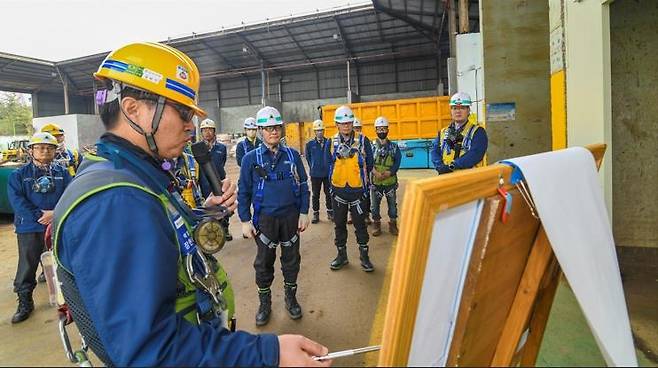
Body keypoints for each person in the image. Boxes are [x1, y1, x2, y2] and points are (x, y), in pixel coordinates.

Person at [52, 42, 329, 367]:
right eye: (182, 112)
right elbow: (152, 351)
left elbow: (156, 236)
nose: (191, 125)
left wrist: (198, 214)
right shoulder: (114, 201)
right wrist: (267, 354)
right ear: (133, 108)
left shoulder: (130, 174)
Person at [238, 106, 310, 327]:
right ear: (260, 131)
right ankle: (265, 303)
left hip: (290, 217)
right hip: (265, 220)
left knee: (291, 261)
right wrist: (244, 220)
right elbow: (244, 191)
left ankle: (291, 298)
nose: (273, 132)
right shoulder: (251, 159)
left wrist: (304, 212)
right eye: (268, 128)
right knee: (263, 263)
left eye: (277, 127)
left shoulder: (292, 155)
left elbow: (304, 184)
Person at [8, 132, 71, 323]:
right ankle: (25, 301)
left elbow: (70, 194)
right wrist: (39, 216)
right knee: (27, 265)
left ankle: (67, 301)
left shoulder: (62, 173)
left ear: (55, 151)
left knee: (60, 263)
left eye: (49, 148)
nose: (45, 151)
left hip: (56, 225)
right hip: (29, 228)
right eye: (40, 147)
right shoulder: (19, 175)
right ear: (31, 150)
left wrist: (55, 214)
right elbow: (17, 201)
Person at [325, 105, 374, 272]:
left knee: (360, 225)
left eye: (348, 122)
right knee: (339, 225)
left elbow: (370, 163)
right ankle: (342, 255)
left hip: (358, 192)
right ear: (337, 125)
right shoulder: (330, 142)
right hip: (338, 191)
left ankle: (364, 256)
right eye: (342, 123)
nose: (346, 126)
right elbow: (327, 164)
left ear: (353, 123)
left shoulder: (363, 140)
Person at [431, 92, 488, 174]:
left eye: (462, 108)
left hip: (469, 179)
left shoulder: (478, 132)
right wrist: (440, 166)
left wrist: (453, 166)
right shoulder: (443, 132)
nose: (458, 111)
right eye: (454, 108)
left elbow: (475, 154)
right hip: (446, 177)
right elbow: (435, 151)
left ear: (468, 110)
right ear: (451, 111)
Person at [198, 118, 233, 241]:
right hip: (204, 182)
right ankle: (211, 232)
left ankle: (225, 229)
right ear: (201, 132)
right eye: (204, 130)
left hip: (219, 180)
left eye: (210, 130)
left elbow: (221, 162)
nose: (207, 132)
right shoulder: (198, 149)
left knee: (223, 205)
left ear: (214, 132)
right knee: (208, 208)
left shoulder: (221, 148)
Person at [369, 117, 401, 236]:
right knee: (374, 206)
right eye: (379, 129)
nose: (382, 131)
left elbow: (397, 161)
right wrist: (375, 172)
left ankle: (393, 224)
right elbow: (367, 161)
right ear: (375, 130)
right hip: (376, 183)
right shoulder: (371, 147)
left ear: (388, 129)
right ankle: (376, 224)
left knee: (392, 206)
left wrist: (390, 172)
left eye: (384, 128)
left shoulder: (394, 147)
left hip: (390, 182)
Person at [305, 119, 333, 224]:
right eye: (317, 130)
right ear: (314, 132)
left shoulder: (329, 142)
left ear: (324, 131)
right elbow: (308, 158)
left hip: (327, 174)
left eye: (321, 130)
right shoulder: (310, 144)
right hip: (315, 174)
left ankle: (330, 212)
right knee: (315, 194)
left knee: (328, 193)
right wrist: (313, 167)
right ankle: (316, 214)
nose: (320, 132)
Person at [349, 117, 372, 225]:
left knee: (365, 195)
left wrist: (367, 172)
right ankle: (351, 214)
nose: (357, 130)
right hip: (352, 174)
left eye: (358, 128)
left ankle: (366, 215)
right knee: (351, 195)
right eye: (355, 128)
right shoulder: (348, 141)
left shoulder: (365, 140)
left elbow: (370, 158)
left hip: (363, 174)